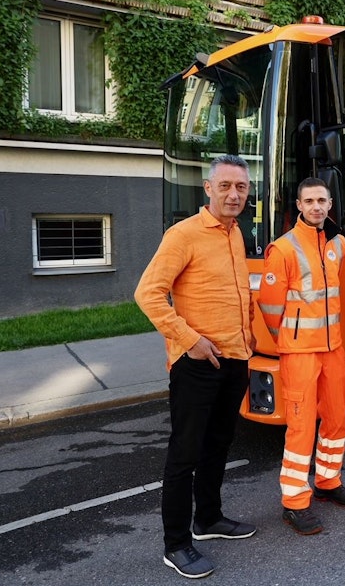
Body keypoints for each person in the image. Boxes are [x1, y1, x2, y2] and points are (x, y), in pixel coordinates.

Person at [134, 154, 257, 580]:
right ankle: (177, 544)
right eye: (225, 186)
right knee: (184, 454)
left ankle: (208, 519)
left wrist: (250, 334)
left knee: (219, 444)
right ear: (208, 189)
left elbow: (239, 292)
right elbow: (148, 294)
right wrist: (190, 340)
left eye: (240, 187)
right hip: (196, 363)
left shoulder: (237, 233)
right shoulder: (183, 234)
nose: (233, 194)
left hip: (235, 358)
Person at [259, 177, 345, 536]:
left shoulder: (336, 243)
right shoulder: (283, 248)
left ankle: (328, 481)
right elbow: (270, 307)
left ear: (330, 205)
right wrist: (288, 338)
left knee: (335, 419)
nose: (316, 207)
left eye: (322, 200)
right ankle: (294, 502)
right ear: (299, 206)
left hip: (333, 350)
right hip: (300, 352)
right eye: (309, 201)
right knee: (301, 427)